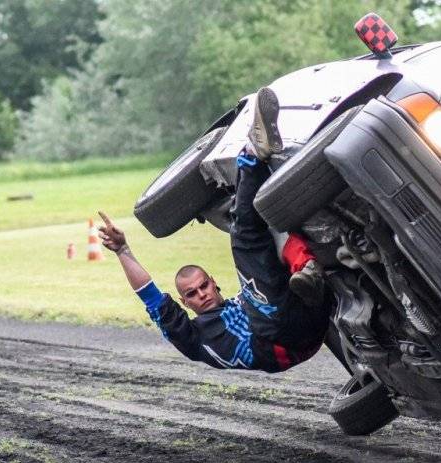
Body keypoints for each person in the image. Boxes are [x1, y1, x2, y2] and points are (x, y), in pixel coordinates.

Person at [99, 87, 330, 373]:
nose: (202, 294)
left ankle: (317, 264)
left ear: (213, 282)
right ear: (186, 302)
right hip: (278, 340)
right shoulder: (194, 338)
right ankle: (252, 156)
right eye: (193, 294)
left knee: (273, 233)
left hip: (314, 322)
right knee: (244, 238)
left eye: (203, 286)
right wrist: (123, 250)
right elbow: (150, 296)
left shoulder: (242, 302)